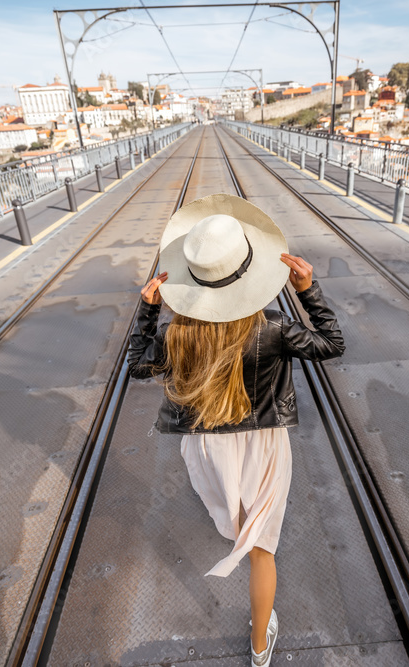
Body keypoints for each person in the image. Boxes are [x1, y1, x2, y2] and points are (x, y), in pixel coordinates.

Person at [128, 193, 345, 667]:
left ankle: (240, 539)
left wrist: (147, 311)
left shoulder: (177, 334)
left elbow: (137, 367)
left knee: (239, 525)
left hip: (208, 448)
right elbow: (331, 344)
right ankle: (260, 646)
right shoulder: (275, 327)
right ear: (248, 272)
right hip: (263, 446)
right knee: (261, 549)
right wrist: (308, 290)